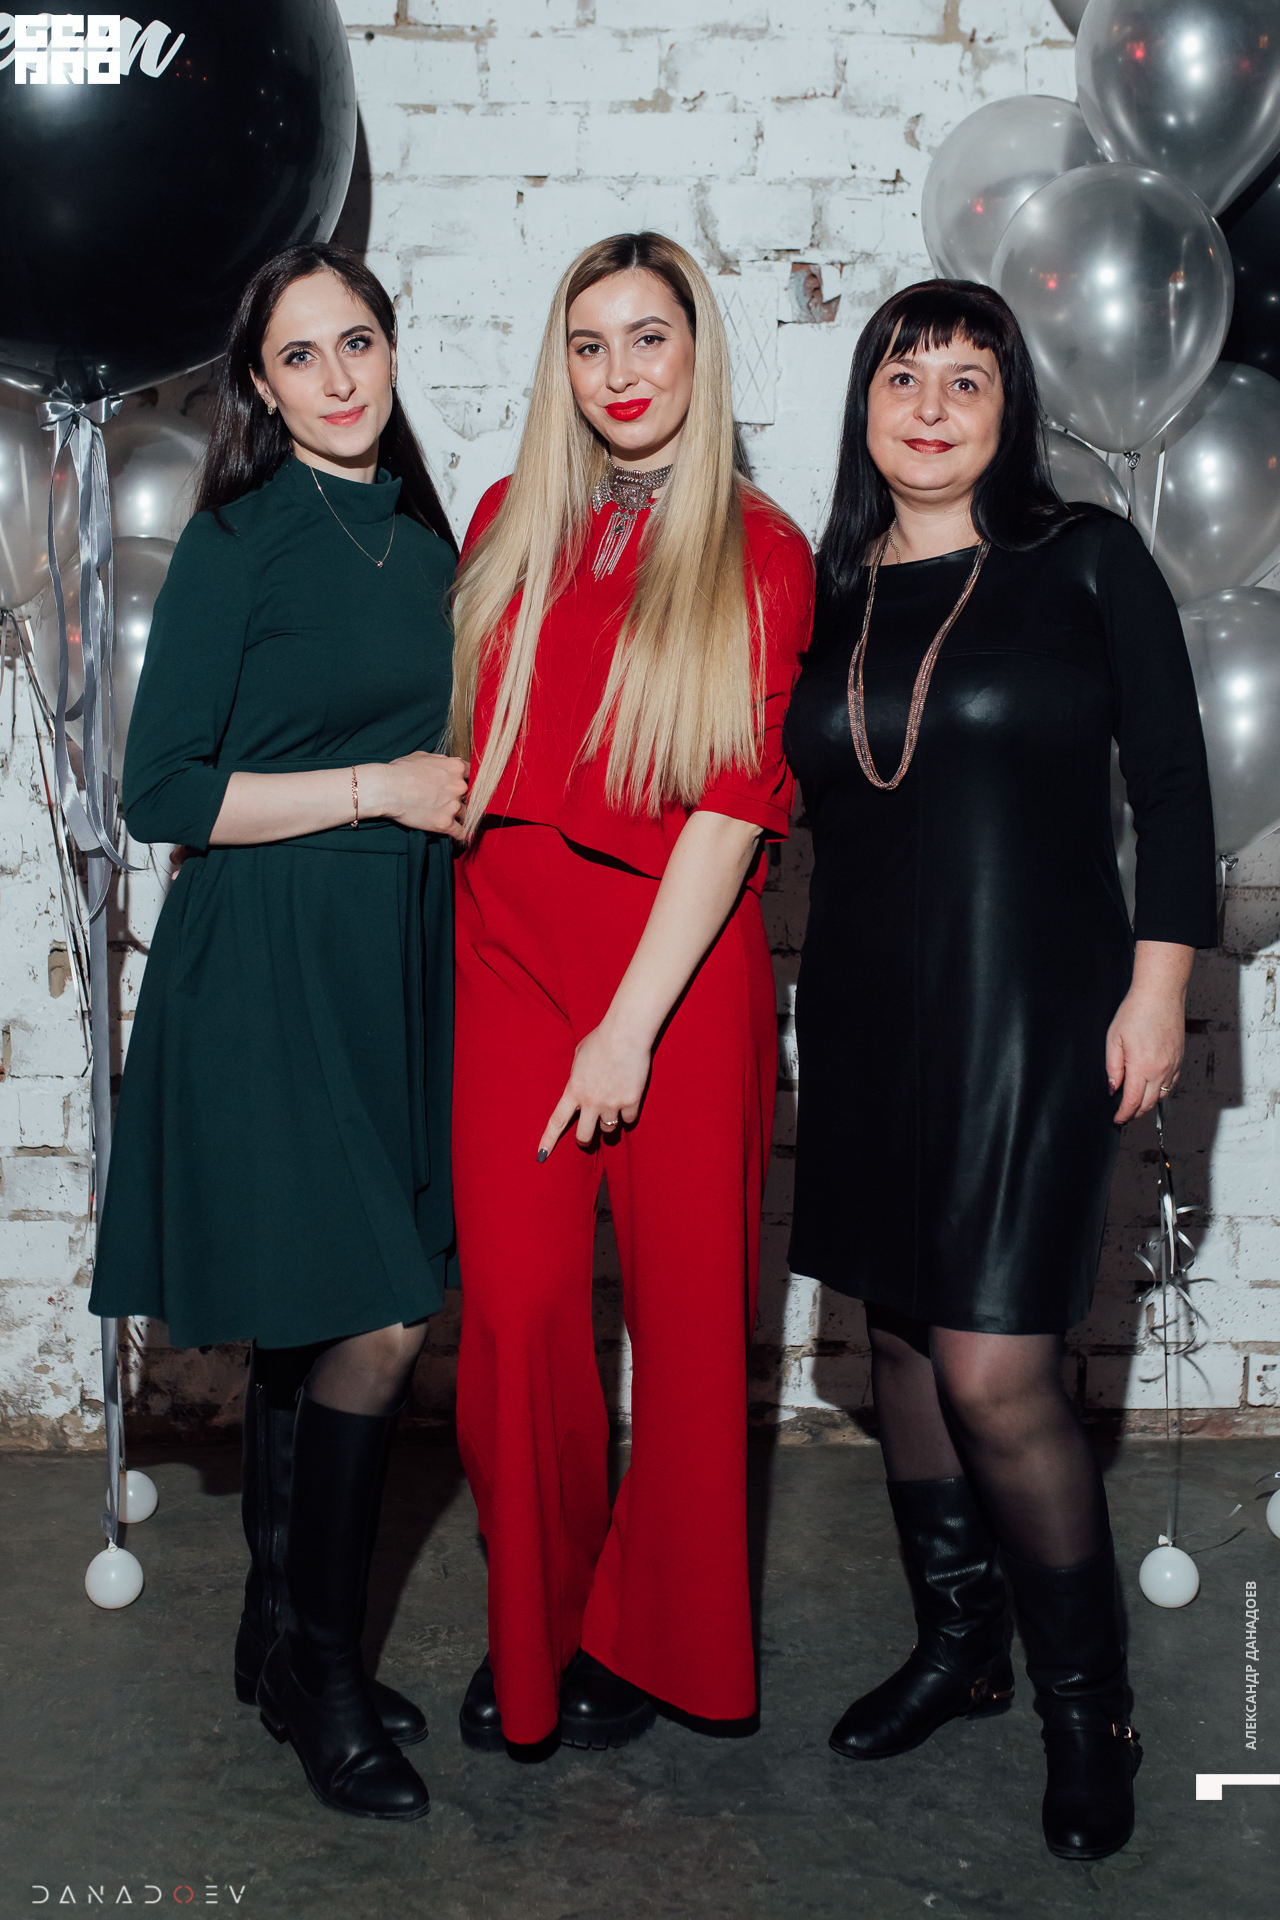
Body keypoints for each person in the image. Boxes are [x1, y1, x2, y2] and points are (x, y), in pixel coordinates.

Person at [781, 279, 1216, 1862]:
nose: (933, 406)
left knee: (989, 1365)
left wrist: (1158, 989)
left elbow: (1174, 787)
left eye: (968, 379)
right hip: (864, 1014)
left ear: (1010, 409)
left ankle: (1089, 1712)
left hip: (1037, 1019)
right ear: (865, 405)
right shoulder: (829, 593)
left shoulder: (1085, 561)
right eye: (904, 376)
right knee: (900, 1338)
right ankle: (960, 1649)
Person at [89, 243, 468, 1823]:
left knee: (327, 1320)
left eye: (356, 341)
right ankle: (324, 1675)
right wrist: (382, 787)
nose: (337, 377)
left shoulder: (428, 540)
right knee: (379, 1315)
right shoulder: (238, 541)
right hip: (266, 962)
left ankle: (277, 1638)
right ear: (259, 383)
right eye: (300, 355)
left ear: (390, 348)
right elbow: (160, 792)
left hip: (392, 963)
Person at [447, 232, 814, 1757]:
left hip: (675, 972)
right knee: (517, 1313)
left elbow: (731, 811)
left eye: (648, 337)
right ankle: (538, 1632)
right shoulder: (504, 524)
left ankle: (658, 1642)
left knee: (688, 1322)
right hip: (508, 960)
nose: (619, 373)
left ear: (697, 350)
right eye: (589, 344)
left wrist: (627, 1029)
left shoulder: (762, 548)